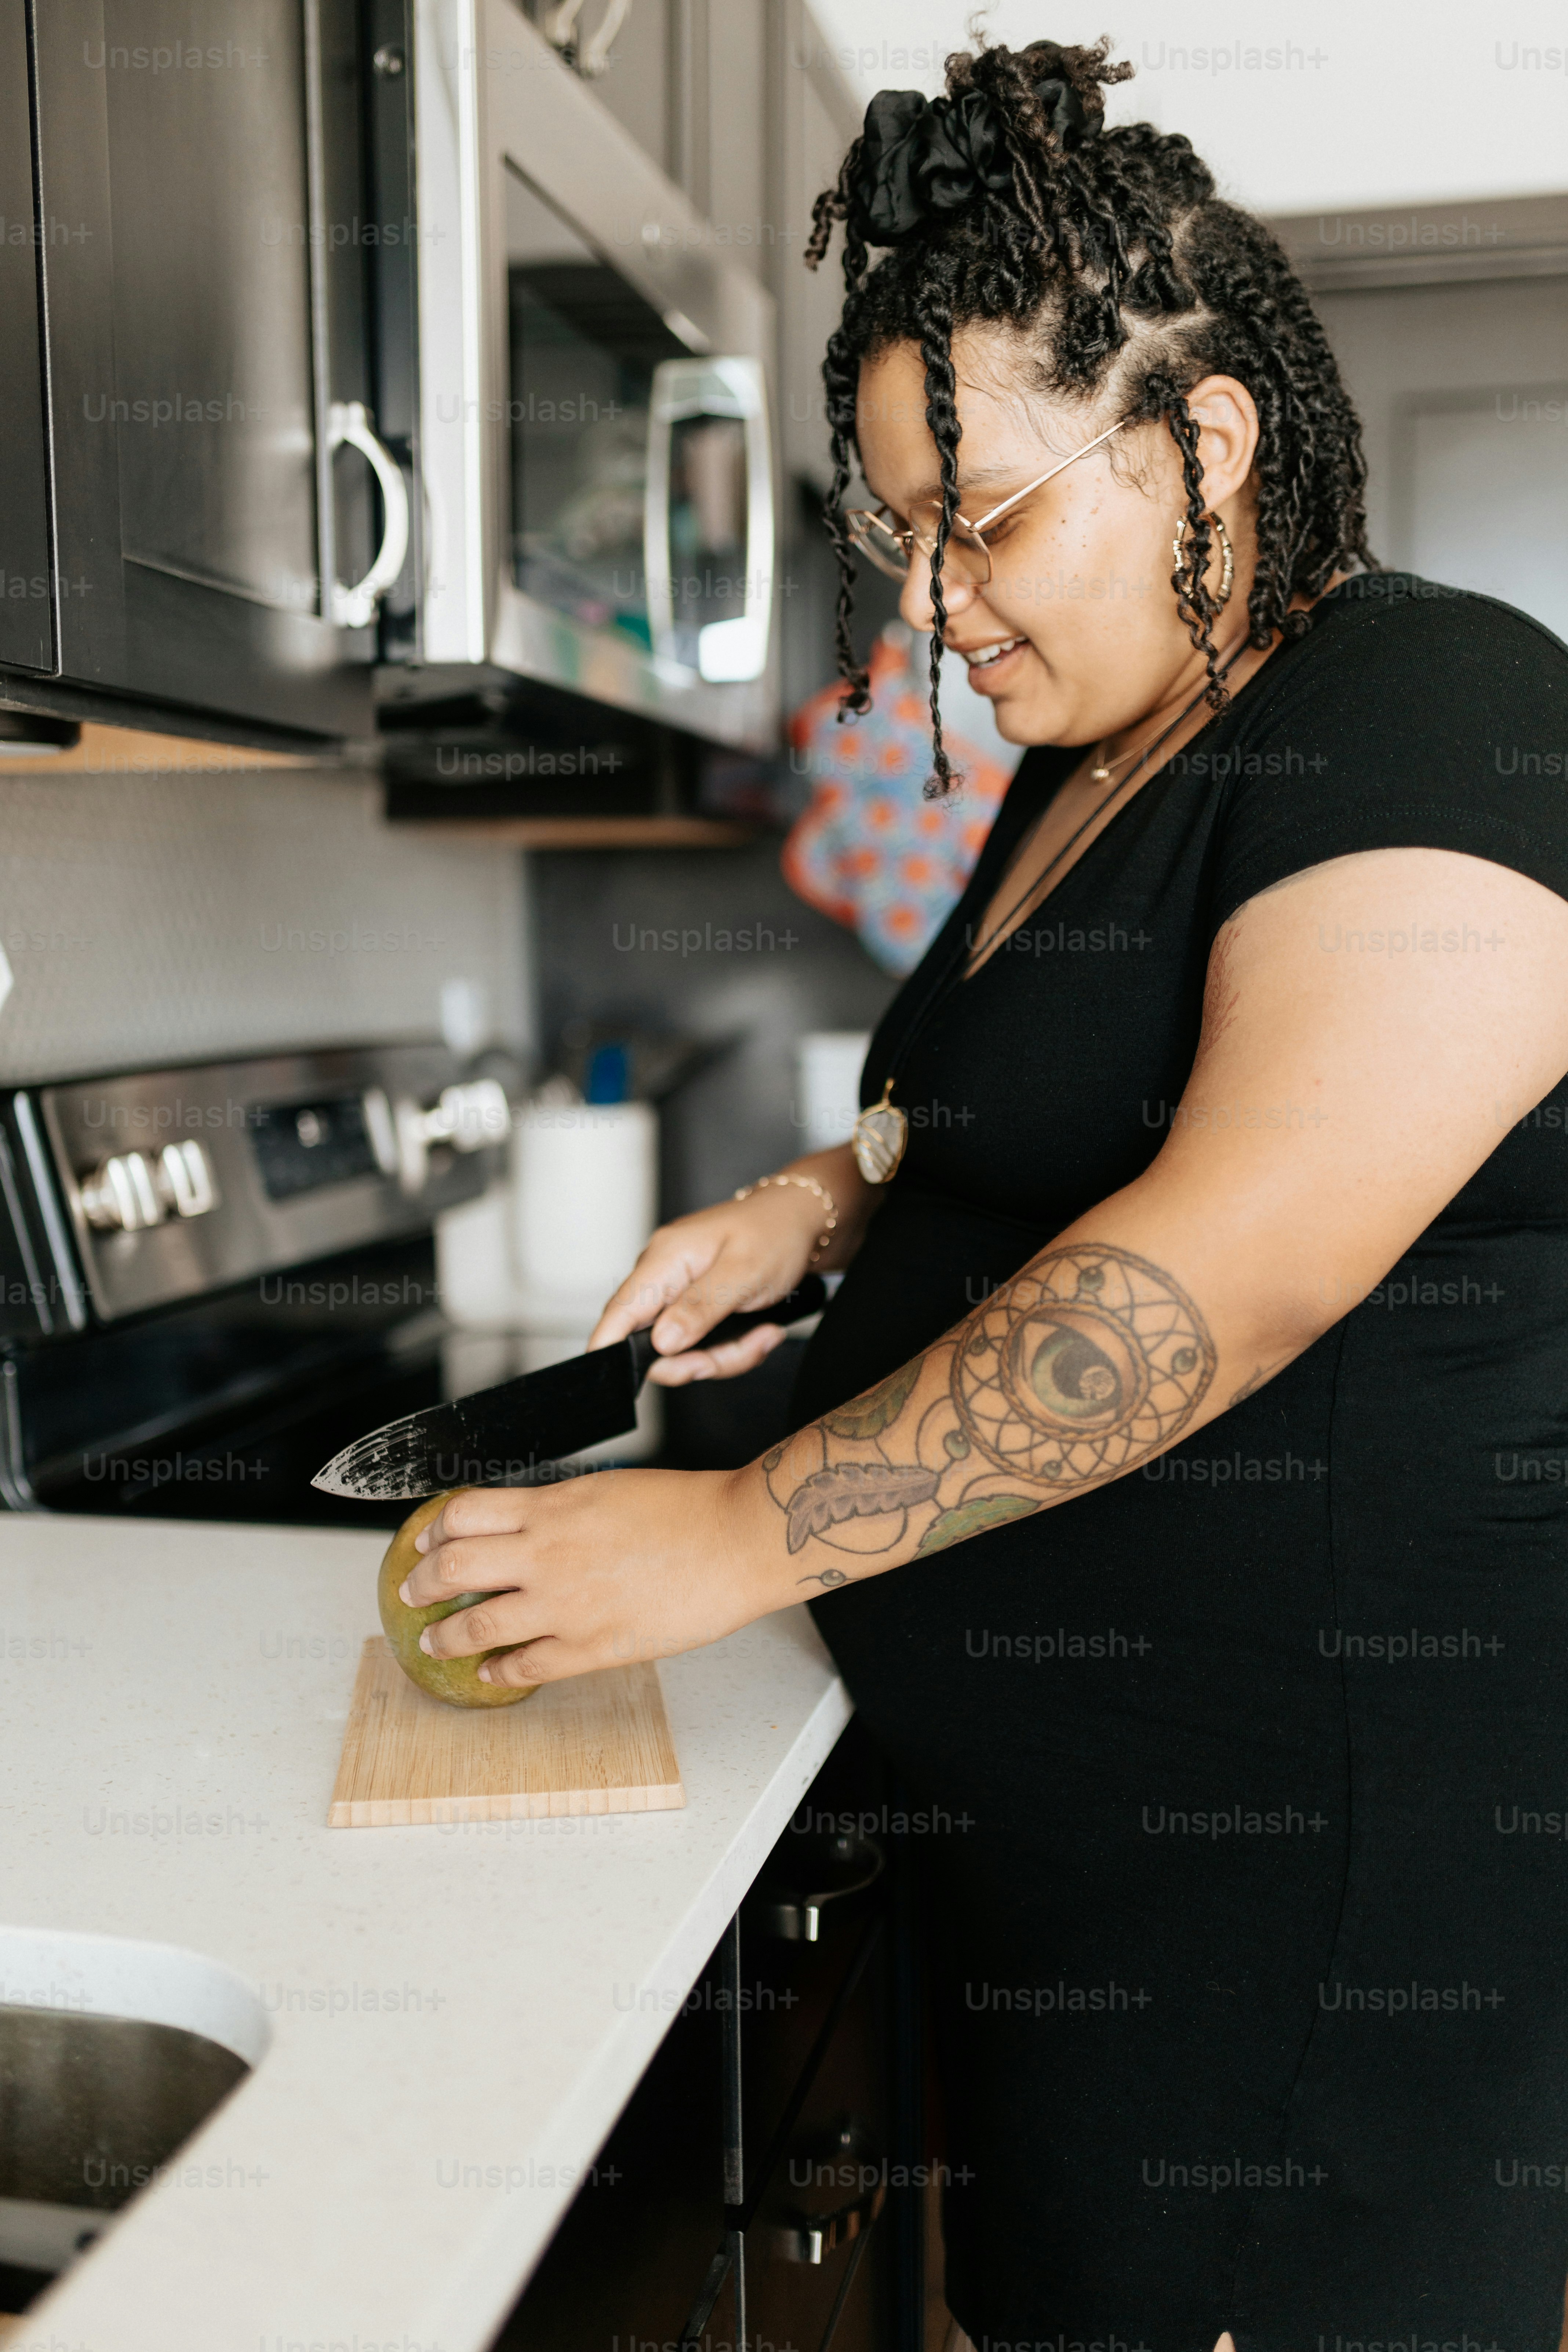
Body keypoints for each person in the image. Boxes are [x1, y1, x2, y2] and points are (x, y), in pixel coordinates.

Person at [397, 37, 1568, 2348]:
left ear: (1203, 443)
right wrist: (824, 1204)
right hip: (1068, 1873)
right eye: (896, 538)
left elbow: (1232, 1264)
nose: (932, 607)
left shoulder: (1445, 717)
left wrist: (733, 1536)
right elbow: (1015, 1116)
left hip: (1303, 1890)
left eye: (989, 519)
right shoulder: (1095, 761)